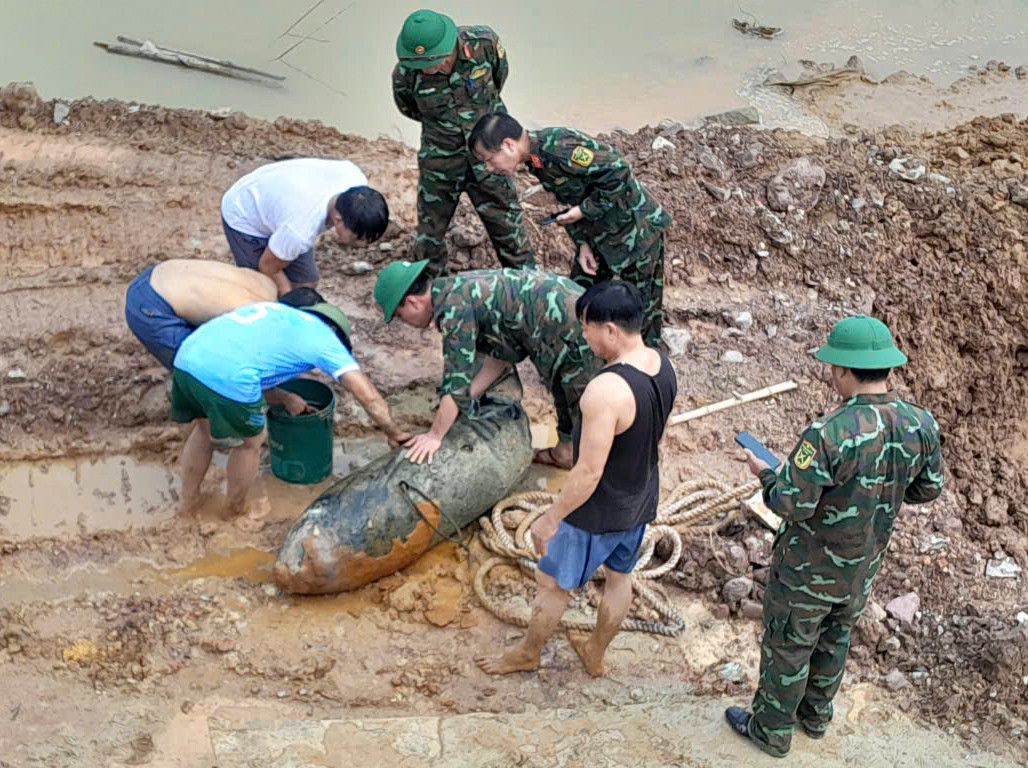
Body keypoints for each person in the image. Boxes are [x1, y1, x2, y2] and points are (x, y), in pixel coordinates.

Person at [726, 315, 945, 758]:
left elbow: (790, 503)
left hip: (808, 570)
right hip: (862, 567)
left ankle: (771, 731)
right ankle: (815, 717)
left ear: (843, 370)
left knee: (789, 644)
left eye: (832, 367)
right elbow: (928, 489)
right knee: (835, 638)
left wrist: (767, 473)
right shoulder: (920, 424)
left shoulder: (829, 432)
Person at [474, 281, 677, 676]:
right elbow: (655, 434)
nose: (583, 335)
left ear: (611, 330)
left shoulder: (605, 391)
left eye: (587, 327)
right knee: (620, 581)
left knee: (552, 585)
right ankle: (595, 655)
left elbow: (587, 472)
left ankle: (527, 654)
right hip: (639, 500)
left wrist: (550, 520)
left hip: (594, 513)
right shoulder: (662, 364)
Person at [170, 300, 411, 520]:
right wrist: (394, 432)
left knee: (203, 433)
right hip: (227, 374)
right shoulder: (326, 341)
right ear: (336, 333)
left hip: (186, 358)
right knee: (250, 443)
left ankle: (187, 506)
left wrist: (285, 397)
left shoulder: (282, 314)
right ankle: (235, 511)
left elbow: (244, 358)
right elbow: (368, 397)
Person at [373, 259, 602, 469]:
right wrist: (468, 398)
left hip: (576, 331)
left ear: (412, 303)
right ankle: (565, 452)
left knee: (583, 404)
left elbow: (456, 383)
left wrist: (435, 435)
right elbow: (500, 358)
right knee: (567, 390)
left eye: (400, 316)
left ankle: (585, 464)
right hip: (570, 314)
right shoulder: (456, 288)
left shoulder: (454, 311)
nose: (406, 323)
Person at [469, 112, 671, 347]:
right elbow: (572, 198)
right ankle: (583, 355)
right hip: (600, 236)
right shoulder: (536, 160)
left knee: (639, 311)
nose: (490, 168)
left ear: (508, 145)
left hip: (637, 229)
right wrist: (583, 243)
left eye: (489, 159)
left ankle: (645, 371)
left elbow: (618, 172)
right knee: (580, 295)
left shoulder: (560, 148)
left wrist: (584, 210)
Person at [393, 9, 533, 276]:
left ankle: (527, 290)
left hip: (491, 156)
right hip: (440, 158)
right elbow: (409, 108)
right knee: (429, 236)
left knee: (510, 232)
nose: (426, 69)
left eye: (431, 62)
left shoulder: (483, 44)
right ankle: (431, 294)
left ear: (447, 51)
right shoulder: (405, 73)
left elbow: (499, 76)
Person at [221, 158, 389, 296]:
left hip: (280, 201)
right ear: (338, 220)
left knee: (306, 283)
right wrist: (288, 299)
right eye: (357, 238)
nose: (361, 245)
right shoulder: (299, 231)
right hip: (244, 211)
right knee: (262, 290)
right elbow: (268, 266)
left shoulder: (356, 181)